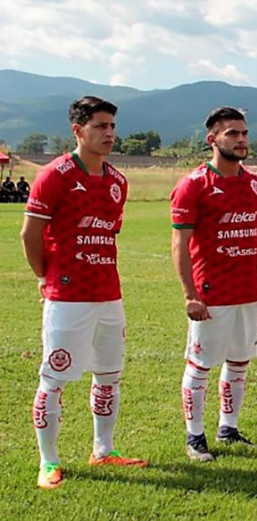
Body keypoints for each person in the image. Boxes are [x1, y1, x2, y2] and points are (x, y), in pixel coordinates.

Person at [21, 96, 146, 490]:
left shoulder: (118, 181)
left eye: (112, 126)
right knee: (54, 378)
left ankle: (103, 450)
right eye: (100, 126)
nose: (109, 133)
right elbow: (30, 235)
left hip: (109, 294)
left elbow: (109, 234)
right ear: (78, 130)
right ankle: (49, 461)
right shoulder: (54, 175)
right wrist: (47, 278)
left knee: (109, 377)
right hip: (67, 297)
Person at [170, 107, 257, 462]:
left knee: (239, 363)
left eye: (244, 133)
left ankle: (228, 428)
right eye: (232, 133)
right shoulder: (193, 185)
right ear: (213, 139)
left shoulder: (255, 182)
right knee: (200, 367)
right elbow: (180, 245)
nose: (241, 139)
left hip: (247, 292)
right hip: (211, 294)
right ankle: (195, 437)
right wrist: (190, 294)